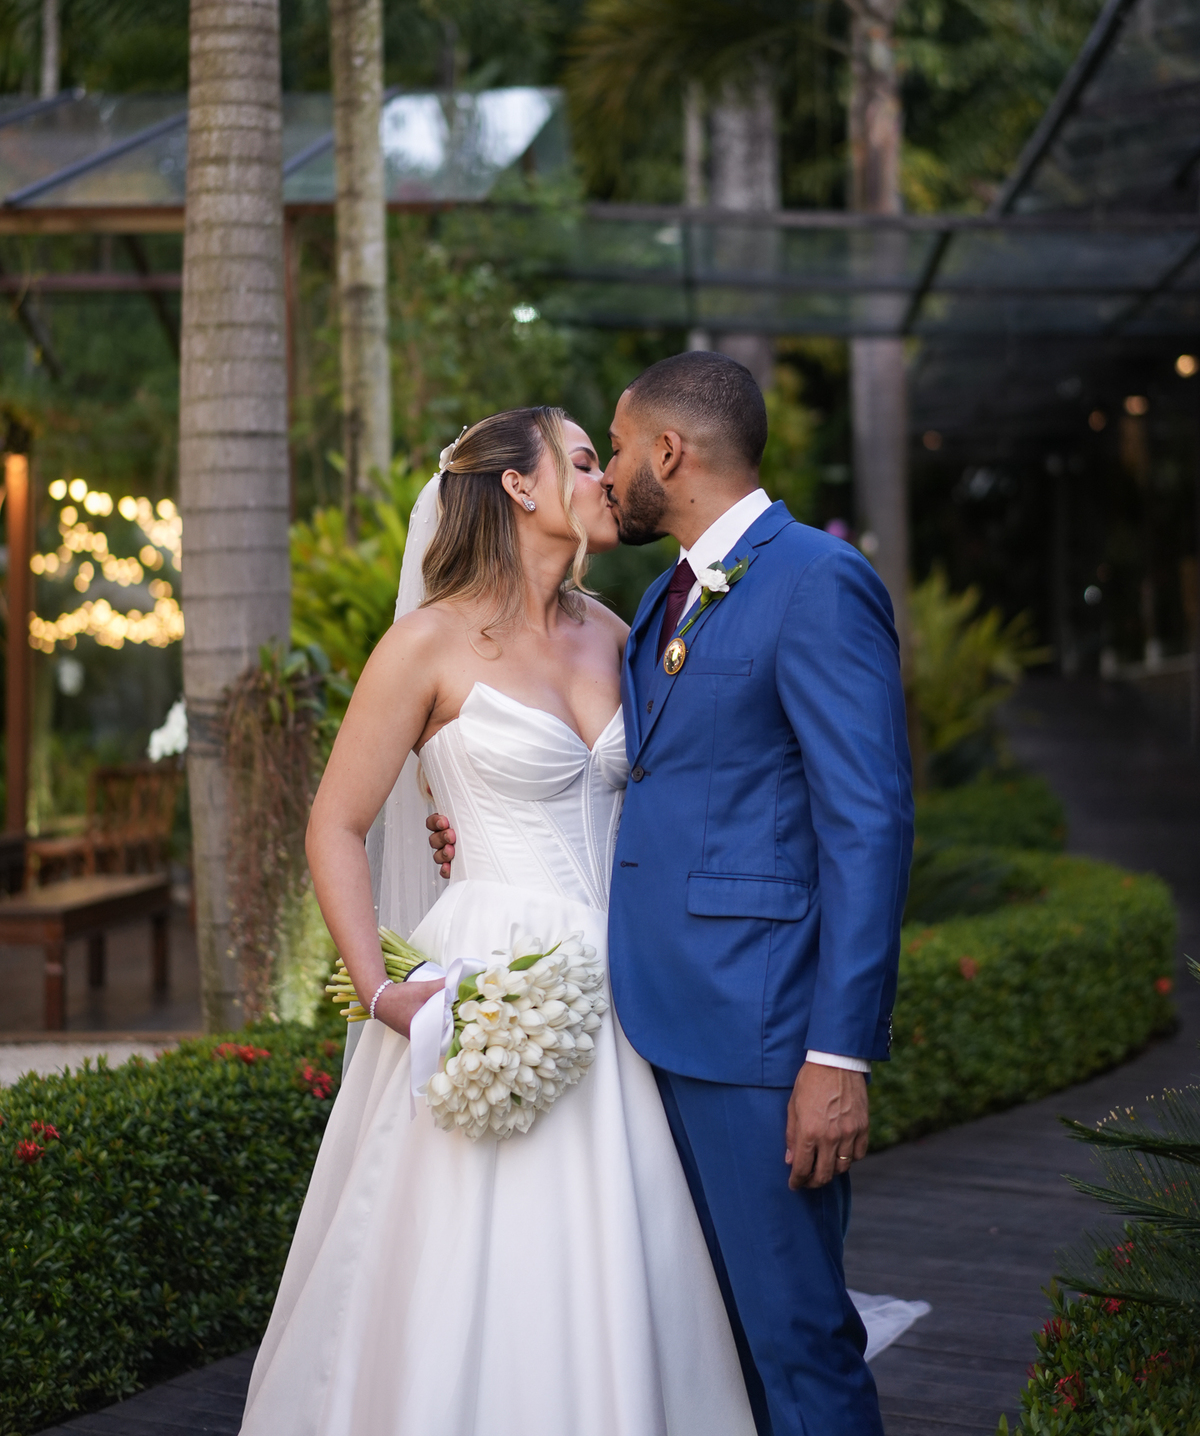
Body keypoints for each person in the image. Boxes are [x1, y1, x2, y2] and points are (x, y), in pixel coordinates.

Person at [239, 406, 757, 1436]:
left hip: (628, 984)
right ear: (519, 486)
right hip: (483, 986)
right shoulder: (425, 644)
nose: (606, 478)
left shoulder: (622, 633)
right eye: (584, 459)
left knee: (622, 1247)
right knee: (471, 1256)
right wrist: (383, 992)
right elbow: (335, 825)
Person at [431, 353, 914, 1436]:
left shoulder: (816, 580)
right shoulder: (661, 600)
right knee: (712, 1350)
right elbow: (640, 782)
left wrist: (838, 1056)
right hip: (646, 1029)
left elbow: (869, 823)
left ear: (668, 451)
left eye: (614, 448)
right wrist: (468, 813)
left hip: (757, 1035)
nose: (606, 477)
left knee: (796, 1339)